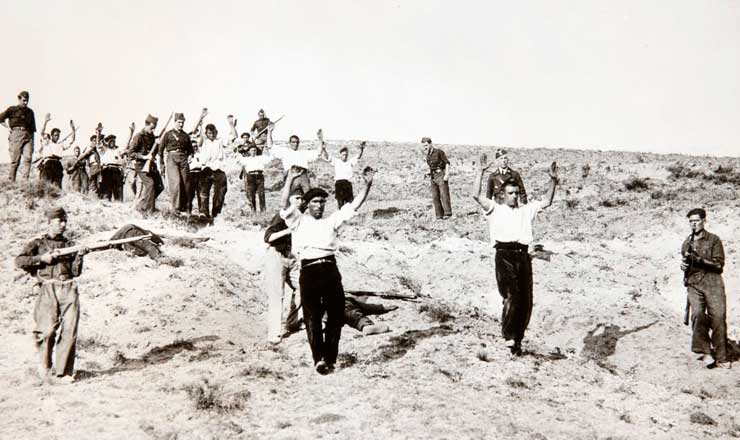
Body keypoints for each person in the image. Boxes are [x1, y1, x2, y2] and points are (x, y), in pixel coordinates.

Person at [280, 165, 375, 374]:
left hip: (330, 270)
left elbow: (354, 206)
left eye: (323, 202)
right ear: (307, 204)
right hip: (309, 271)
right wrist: (289, 179)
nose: (320, 206)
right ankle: (318, 359)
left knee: (336, 316)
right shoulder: (298, 221)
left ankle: (330, 359)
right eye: (315, 202)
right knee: (312, 317)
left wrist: (367, 185)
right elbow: (284, 203)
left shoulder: (331, 221)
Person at [472, 157, 559, 355]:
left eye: (516, 193)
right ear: (502, 195)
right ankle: (509, 336)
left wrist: (553, 181)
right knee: (511, 295)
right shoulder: (495, 209)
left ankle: (517, 340)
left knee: (526, 300)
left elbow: (547, 201)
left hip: (523, 256)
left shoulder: (526, 210)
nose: (514, 197)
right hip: (504, 255)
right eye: (510, 193)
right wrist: (480, 171)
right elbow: (475, 195)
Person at [15, 207, 89, 383]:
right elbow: (19, 261)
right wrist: (41, 259)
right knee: (46, 331)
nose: (63, 225)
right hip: (47, 289)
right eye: (58, 222)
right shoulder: (37, 244)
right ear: (49, 223)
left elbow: (75, 272)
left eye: (64, 221)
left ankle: (64, 373)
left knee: (69, 331)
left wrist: (79, 256)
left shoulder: (70, 244)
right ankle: (45, 367)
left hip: (68, 287)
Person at [680, 208, 731, 369]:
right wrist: (684, 266)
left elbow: (719, 265)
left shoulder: (714, 240)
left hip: (713, 282)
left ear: (704, 220)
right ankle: (706, 352)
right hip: (694, 283)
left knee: (718, 318)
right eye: (691, 221)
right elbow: (686, 264)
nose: (693, 224)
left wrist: (699, 260)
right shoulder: (687, 242)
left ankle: (722, 357)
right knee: (697, 314)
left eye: (696, 220)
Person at [263, 183, 305, 344]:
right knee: (277, 295)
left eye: (302, 198)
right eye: (297, 198)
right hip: (276, 255)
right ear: (290, 200)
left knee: (304, 285)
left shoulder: (301, 217)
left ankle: (293, 322)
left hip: (292, 257)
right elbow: (268, 237)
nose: (300, 201)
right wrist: (289, 231)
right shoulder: (282, 216)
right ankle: (274, 333)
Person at [159, 112, 199, 213]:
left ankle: (187, 207)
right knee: (175, 183)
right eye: (179, 122)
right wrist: (162, 163)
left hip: (183, 159)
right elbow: (160, 149)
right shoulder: (168, 134)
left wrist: (189, 157)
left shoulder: (186, 136)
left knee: (186, 183)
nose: (181, 124)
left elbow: (190, 151)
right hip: (172, 158)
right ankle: (175, 208)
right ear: (175, 122)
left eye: (182, 122)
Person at [196, 118, 236, 219]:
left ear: (216, 132)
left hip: (219, 168)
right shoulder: (203, 141)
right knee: (204, 191)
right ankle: (204, 212)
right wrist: (201, 122)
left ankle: (216, 213)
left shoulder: (220, 141)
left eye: (213, 133)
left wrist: (231, 124)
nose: (212, 135)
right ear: (206, 133)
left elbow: (234, 136)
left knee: (221, 191)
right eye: (209, 133)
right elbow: (199, 140)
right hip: (206, 168)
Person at [126, 115, 164, 215]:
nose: (154, 129)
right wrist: (144, 157)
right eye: (152, 127)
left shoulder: (153, 137)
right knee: (150, 184)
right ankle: (149, 212)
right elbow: (130, 153)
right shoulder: (138, 136)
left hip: (150, 164)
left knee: (159, 186)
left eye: (155, 127)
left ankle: (142, 205)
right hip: (140, 165)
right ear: (147, 125)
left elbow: (154, 153)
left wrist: (158, 144)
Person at [269, 129, 326, 195]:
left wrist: (320, 139)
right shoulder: (285, 152)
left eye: (297, 142)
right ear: (289, 143)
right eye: (293, 142)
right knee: (292, 196)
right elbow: (270, 146)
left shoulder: (303, 153)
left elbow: (318, 152)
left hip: (303, 175)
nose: (295, 144)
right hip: (292, 175)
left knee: (308, 196)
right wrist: (270, 132)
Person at [237, 124, 275, 213]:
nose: (253, 152)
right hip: (250, 176)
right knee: (251, 194)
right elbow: (237, 155)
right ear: (249, 152)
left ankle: (263, 211)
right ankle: (253, 210)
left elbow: (271, 157)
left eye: (254, 150)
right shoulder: (245, 157)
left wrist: (267, 144)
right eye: (251, 150)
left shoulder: (260, 158)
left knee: (261, 194)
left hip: (259, 176)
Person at [0, 91, 37, 181]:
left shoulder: (30, 112)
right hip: (16, 134)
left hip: (28, 135)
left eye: (27, 100)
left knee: (28, 158)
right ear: (19, 99)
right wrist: (8, 128)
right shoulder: (12, 109)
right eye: (24, 100)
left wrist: (32, 144)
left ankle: (25, 180)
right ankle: (11, 180)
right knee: (15, 159)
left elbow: (32, 130)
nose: (26, 102)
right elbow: (1, 119)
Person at [321, 141, 365, 208]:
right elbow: (327, 156)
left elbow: (358, 156)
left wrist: (362, 149)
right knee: (340, 203)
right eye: (343, 155)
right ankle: (341, 217)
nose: (345, 156)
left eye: (346, 155)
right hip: (339, 184)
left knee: (349, 204)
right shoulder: (336, 161)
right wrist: (324, 149)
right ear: (340, 155)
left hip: (347, 184)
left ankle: (348, 217)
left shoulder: (349, 162)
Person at [37, 114, 76, 188]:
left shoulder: (61, 144)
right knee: (46, 184)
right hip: (48, 163)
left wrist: (73, 129)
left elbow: (72, 140)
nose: (57, 137)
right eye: (55, 135)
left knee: (57, 185)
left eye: (58, 135)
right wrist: (46, 121)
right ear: (51, 135)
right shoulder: (47, 141)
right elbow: (42, 132)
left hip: (58, 164)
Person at [423, 137, 452, 219]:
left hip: (441, 175)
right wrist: (427, 173)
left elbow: (447, 163)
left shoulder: (439, 152)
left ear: (430, 144)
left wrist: (447, 174)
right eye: (424, 146)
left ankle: (448, 214)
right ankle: (439, 215)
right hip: (433, 177)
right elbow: (432, 167)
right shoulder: (428, 155)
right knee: (435, 196)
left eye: (426, 145)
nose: (425, 147)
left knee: (444, 194)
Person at [99, 135, 125, 201]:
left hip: (117, 170)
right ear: (107, 142)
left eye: (113, 141)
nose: (112, 143)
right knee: (107, 188)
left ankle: (118, 202)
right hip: (107, 170)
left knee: (118, 188)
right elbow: (98, 143)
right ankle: (107, 201)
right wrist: (98, 133)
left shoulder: (118, 150)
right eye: (110, 142)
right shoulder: (104, 150)